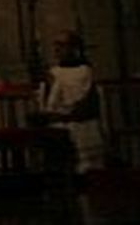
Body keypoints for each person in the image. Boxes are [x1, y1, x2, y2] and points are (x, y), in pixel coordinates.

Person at [35, 30, 105, 173]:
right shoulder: (53, 72)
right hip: (56, 125)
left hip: (79, 125)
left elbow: (81, 100)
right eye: (55, 45)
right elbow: (48, 103)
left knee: (86, 166)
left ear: (73, 48)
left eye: (62, 45)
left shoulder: (84, 71)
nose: (57, 49)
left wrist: (64, 113)